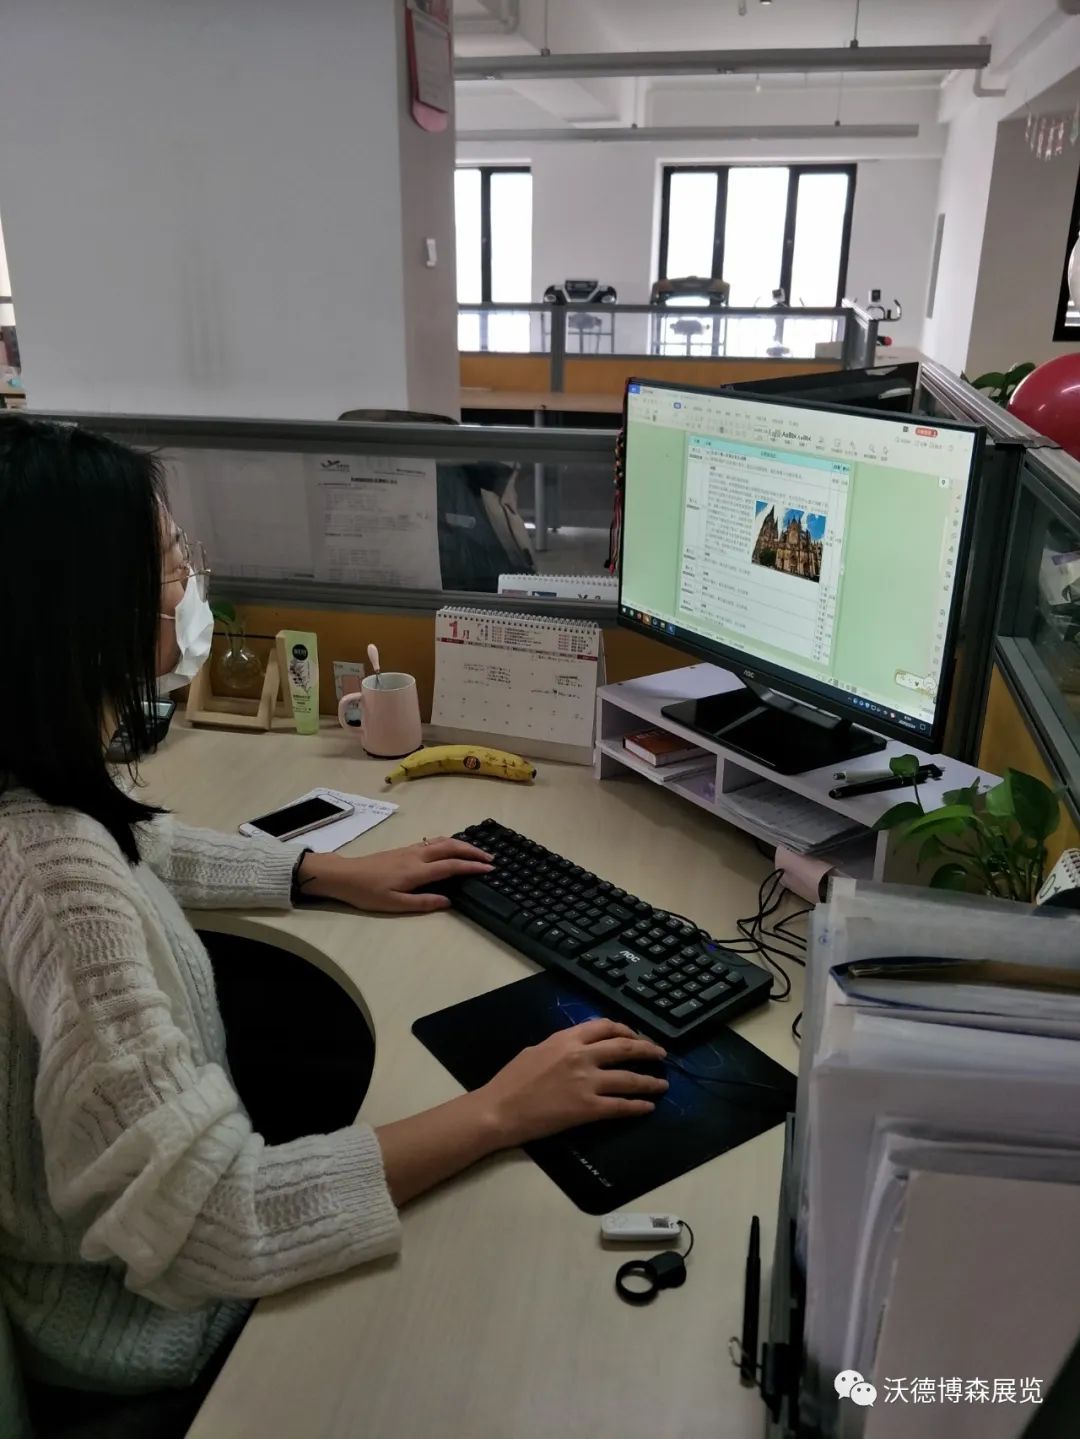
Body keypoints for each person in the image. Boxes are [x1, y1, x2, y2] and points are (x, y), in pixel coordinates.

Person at [0, 417, 667, 1428]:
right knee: (506, 1299)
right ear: (84, 614)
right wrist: (498, 1109)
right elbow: (220, 1224)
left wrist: (320, 871)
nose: (192, 581)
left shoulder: (35, 799)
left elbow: (147, 847)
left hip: (107, 1265)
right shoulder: (57, 879)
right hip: (145, 1336)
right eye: (173, 562)